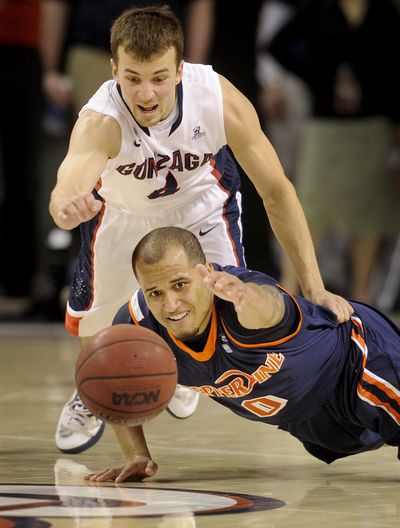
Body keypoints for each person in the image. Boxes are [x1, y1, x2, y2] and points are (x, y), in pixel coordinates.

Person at [49, 6, 352, 455]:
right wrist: (67, 209)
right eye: (132, 78)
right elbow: (65, 190)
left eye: (158, 77)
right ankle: (93, 392)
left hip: (201, 208)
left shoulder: (218, 99)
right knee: (99, 335)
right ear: (114, 70)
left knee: (225, 300)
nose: (146, 93)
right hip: (122, 214)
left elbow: (277, 192)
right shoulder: (101, 120)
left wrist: (315, 286)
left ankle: (180, 366)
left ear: (180, 69)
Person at [84, 227, 400, 483]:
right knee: (358, 442)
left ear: (204, 272)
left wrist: (245, 297)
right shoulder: (136, 325)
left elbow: (270, 307)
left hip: (356, 360)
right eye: (155, 292)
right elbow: (115, 386)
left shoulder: (243, 295)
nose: (171, 304)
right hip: (308, 418)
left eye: (180, 285)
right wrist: (137, 456)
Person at [267, 0, 400, 302]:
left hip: (372, 124)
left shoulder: (385, 12)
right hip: (325, 123)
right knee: (311, 207)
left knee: (368, 213)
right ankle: (289, 292)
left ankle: (362, 298)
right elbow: (277, 45)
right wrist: (319, 79)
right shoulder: (319, 8)